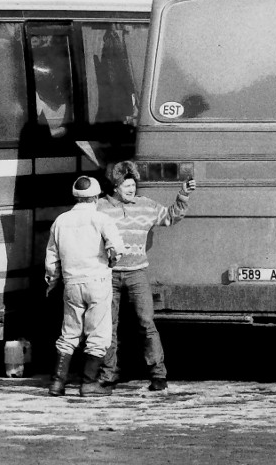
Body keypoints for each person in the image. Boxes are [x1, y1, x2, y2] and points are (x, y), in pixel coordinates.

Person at [96, 160, 196, 391]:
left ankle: (158, 374)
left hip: (137, 273)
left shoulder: (146, 205)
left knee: (146, 323)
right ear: (115, 187)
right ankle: (108, 374)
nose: (131, 189)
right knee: (107, 326)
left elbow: (171, 217)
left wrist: (183, 195)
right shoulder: (99, 207)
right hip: (108, 275)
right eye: (126, 185)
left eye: (133, 185)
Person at [45, 176, 126, 397]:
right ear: (96, 197)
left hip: (71, 283)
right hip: (97, 282)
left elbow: (51, 260)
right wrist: (111, 261)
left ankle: (57, 383)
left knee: (69, 334)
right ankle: (89, 384)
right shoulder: (102, 219)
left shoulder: (60, 221)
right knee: (98, 334)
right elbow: (116, 249)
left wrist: (52, 282)